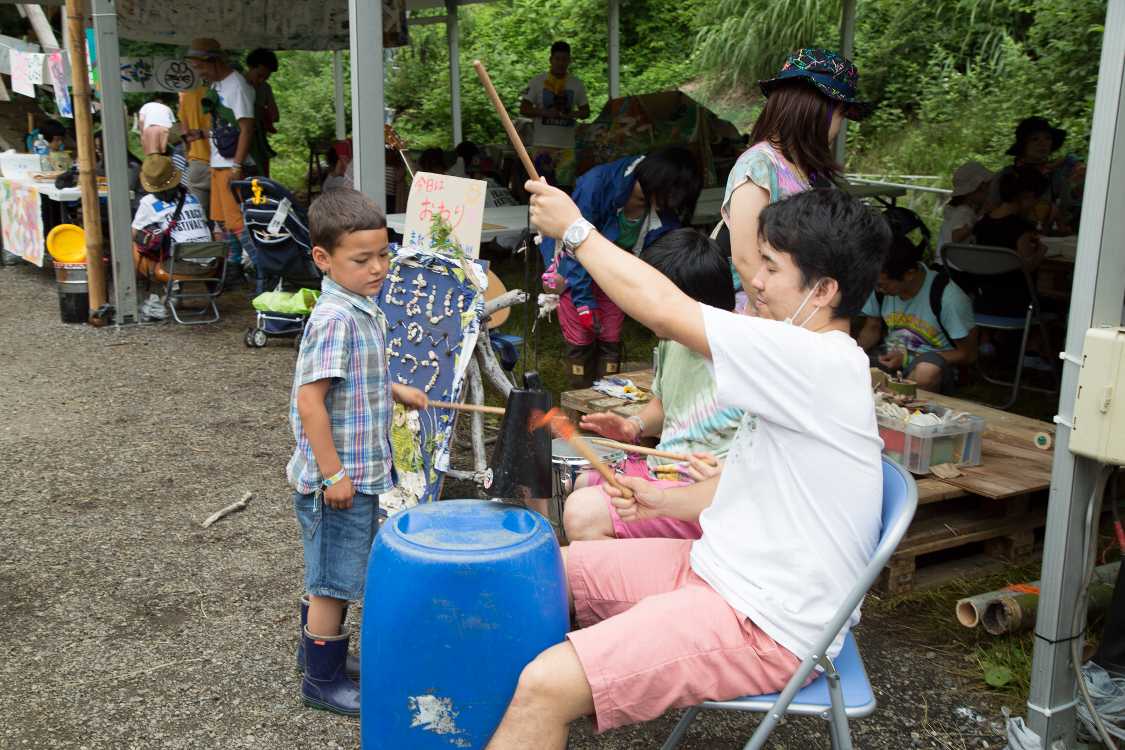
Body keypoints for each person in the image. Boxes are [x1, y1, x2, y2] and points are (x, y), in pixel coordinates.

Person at [491, 182, 891, 750]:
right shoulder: (806, 360)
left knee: (544, 684)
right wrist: (664, 500)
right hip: (716, 569)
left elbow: (666, 307)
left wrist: (577, 231)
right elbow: (758, 478)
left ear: (823, 290)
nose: (753, 281)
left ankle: (535, 712)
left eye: (772, 268)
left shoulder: (814, 359)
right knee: (528, 573)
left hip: (765, 621)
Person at [288, 188, 428, 716]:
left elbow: (354, 379)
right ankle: (321, 682)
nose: (378, 268)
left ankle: (318, 656)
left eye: (384, 255)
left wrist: (395, 389)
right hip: (339, 480)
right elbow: (310, 401)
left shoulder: (362, 308)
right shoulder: (335, 318)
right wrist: (334, 474)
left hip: (361, 473)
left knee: (339, 569)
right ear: (323, 259)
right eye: (362, 259)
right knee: (333, 580)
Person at [563, 228, 740, 542]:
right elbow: (664, 401)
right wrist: (633, 426)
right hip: (661, 471)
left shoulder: (743, 353)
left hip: (704, 494)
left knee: (581, 513)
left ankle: (662, 573)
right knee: (581, 483)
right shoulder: (674, 339)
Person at [721, 48, 871, 311]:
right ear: (813, 110)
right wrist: (778, 320)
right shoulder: (758, 165)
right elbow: (746, 260)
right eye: (840, 115)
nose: (839, 127)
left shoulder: (806, 169)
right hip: (765, 316)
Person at [540, 146, 702, 387]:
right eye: (672, 197)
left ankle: (606, 391)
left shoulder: (664, 212)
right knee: (581, 333)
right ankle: (580, 392)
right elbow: (573, 246)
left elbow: (663, 260)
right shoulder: (596, 185)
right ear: (660, 185)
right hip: (576, 269)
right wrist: (584, 301)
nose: (672, 206)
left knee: (610, 332)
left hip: (615, 273)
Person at [856, 207, 977, 393]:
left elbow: (967, 354)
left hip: (934, 364)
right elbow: (872, 327)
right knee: (853, 367)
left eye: (883, 285)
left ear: (910, 274)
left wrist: (907, 358)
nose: (878, 289)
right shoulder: (880, 283)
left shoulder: (948, 298)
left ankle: (905, 405)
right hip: (890, 357)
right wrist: (851, 354)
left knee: (924, 372)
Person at [185, 37, 258, 286]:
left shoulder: (236, 85)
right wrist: (201, 136)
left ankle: (261, 271)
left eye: (201, 66)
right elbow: (223, 126)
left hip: (232, 164)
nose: (199, 72)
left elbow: (246, 127)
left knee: (238, 221)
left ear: (213, 61)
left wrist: (237, 165)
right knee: (223, 221)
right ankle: (235, 267)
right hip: (218, 162)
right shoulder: (216, 86)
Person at [997, 116, 1083, 235]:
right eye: (1035, 139)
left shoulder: (1057, 175)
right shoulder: (1007, 175)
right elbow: (992, 209)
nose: (1043, 144)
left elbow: (1066, 210)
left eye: (1048, 138)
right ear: (1023, 145)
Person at [520, 41, 590, 151]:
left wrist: (571, 114)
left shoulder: (577, 83)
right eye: (557, 59)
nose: (561, 63)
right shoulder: (536, 81)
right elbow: (524, 109)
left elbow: (586, 112)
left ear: (569, 61)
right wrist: (544, 112)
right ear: (551, 60)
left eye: (564, 59)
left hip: (568, 146)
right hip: (542, 144)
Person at [936, 161, 993, 264]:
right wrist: (974, 223)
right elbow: (956, 236)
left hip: (945, 262)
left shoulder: (955, 210)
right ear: (978, 189)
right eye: (987, 188)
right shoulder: (964, 211)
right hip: (953, 265)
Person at [177, 85, 213, 219]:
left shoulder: (187, 96)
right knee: (225, 221)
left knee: (199, 217)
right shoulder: (218, 91)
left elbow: (185, 133)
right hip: (223, 163)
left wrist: (188, 159)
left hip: (197, 162)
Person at [244, 48, 280, 177]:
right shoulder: (237, 84)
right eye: (259, 75)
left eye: (265, 78)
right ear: (250, 67)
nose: (261, 81)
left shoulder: (265, 88)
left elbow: (275, 116)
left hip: (259, 145)